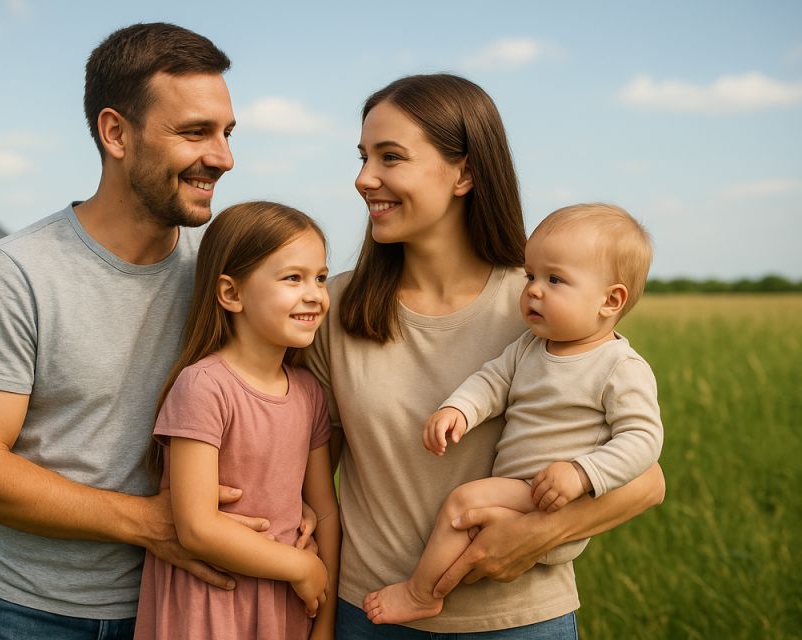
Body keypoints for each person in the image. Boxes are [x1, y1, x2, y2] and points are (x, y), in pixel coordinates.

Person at [0, 23, 299, 638]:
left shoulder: (221, 275)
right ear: (116, 133)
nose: (223, 156)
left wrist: (303, 510)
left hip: (186, 607)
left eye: (227, 133)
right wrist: (154, 523)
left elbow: (279, 401)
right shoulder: (18, 271)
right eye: (195, 132)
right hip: (28, 612)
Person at [304, 73, 665, 638]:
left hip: (519, 621)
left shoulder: (545, 302)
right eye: (363, 156)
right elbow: (313, 486)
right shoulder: (335, 305)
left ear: (465, 173)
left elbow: (648, 479)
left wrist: (533, 537)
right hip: (367, 612)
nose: (364, 178)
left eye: (391, 157)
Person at [362, 203, 664, 625]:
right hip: (522, 498)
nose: (534, 290)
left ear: (610, 300)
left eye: (555, 279)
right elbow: (492, 381)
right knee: (476, 526)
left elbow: (643, 441)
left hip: (552, 503)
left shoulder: (619, 367)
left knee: (462, 503)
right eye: (531, 276)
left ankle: (420, 593)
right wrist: (459, 410)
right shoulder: (530, 347)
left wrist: (581, 473)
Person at [133, 201, 340, 639]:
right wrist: (301, 564)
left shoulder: (309, 393)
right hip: (207, 608)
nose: (315, 294)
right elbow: (196, 527)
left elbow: (325, 510)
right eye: (293, 278)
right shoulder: (204, 387)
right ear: (232, 294)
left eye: (320, 278)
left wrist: (324, 625)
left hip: (286, 608)